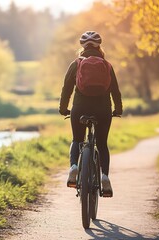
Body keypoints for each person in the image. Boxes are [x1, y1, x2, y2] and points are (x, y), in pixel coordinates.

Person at [58, 31, 122, 197]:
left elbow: (66, 89)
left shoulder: (76, 64)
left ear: (83, 47)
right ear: (99, 47)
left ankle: (73, 167)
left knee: (77, 140)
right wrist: (118, 109)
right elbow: (115, 91)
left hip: (80, 108)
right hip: (103, 110)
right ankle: (105, 177)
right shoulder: (107, 65)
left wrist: (63, 109)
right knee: (101, 144)